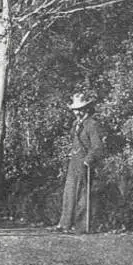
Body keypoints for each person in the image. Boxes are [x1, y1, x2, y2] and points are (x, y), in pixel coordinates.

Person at [55, 92, 103, 233]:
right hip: (74, 161)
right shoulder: (76, 124)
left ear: (87, 109)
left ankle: (81, 226)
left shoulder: (92, 125)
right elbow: (74, 141)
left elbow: (98, 146)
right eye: (75, 109)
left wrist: (89, 159)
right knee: (69, 192)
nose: (77, 112)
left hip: (84, 162)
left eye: (80, 109)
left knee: (82, 193)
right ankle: (65, 224)